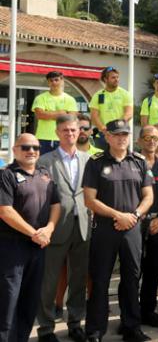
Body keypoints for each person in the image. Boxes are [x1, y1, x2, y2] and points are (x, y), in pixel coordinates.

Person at [82, 119, 153, 342]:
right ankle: (95, 330)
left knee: (131, 278)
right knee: (100, 278)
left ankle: (131, 326)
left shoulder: (139, 161)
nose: (122, 138)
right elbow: (89, 200)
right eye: (117, 134)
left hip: (132, 228)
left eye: (125, 134)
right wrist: (117, 215)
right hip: (105, 228)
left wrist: (134, 216)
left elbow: (149, 196)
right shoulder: (95, 162)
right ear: (108, 137)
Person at [0, 134, 60, 342]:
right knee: (8, 301)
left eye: (35, 147)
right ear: (15, 150)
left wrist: (49, 229)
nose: (31, 151)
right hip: (12, 247)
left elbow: (56, 205)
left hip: (38, 247)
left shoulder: (45, 174)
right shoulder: (6, 175)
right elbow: (5, 211)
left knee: (29, 299)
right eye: (25, 147)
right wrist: (34, 233)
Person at [36, 116, 91, 342]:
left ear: (79, 132)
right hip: (56, 227)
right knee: (48, 282)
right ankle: (46, 329)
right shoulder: (45, 161)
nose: (70, 134)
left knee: (78, 279)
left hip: (83, 227)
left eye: (73, 130)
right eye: (65, 130)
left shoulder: (89, 159)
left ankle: (75, 323)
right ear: (57, 133)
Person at [135, 126, 158, 328]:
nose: (151, 141)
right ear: (139, 141)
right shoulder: (132, 162)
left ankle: (148, 311)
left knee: (154, 269)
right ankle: (130, 315)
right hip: (135, 223)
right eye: (147, 138)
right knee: (133, 271)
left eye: (155, 138)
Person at [32, 71, 79, 154]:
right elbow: (40, 115)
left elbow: (71, 118)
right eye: (51, 80)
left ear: (62, 81)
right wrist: (62, 113)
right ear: (48, 83)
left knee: (62, 165)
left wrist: (48, 113)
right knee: (42, 165)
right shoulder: (40, 98)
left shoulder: (70, 99)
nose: (54, 82)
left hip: (63, 138)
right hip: (43, 138)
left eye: (56, 80)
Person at [88, 67, 134, 150]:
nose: (116, 79)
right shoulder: (98, 95)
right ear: (105, 79)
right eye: (113, 77)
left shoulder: (125, 94)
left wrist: (117, 127)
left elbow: (129, 113)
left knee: (120, 160)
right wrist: (103, 129)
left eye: (117, 77)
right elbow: (94, 116)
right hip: (103, 135)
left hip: (121, 133)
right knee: (102, 161)